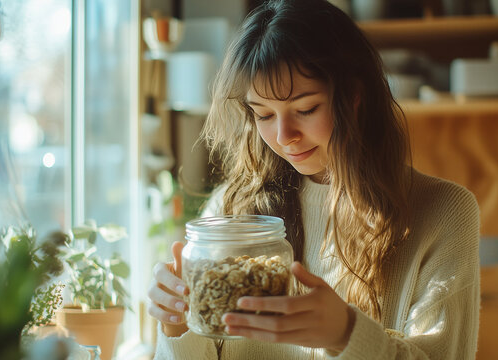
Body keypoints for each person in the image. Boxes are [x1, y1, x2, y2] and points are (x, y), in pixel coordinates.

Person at [148, 0, 480, 359]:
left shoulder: (444, 212)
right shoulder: (232, 212)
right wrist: (176, 324)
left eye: (305, 109)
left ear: (355, 95)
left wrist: (347, 334)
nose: (284, 135)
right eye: (263, 114)